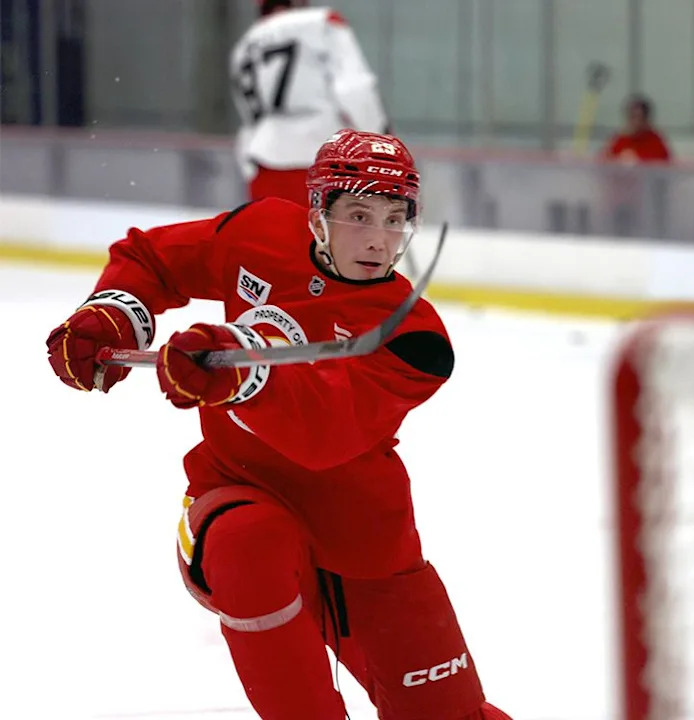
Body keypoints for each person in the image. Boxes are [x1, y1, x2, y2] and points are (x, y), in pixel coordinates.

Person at [44, 130, 512, 720]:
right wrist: (114, 312)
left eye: (395, 220)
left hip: (366, 544)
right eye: (359, 215)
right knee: (249, 542)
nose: (379, 239)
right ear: (317, 215)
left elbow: (326, 430)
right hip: (239, 499)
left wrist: (245, 370)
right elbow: (152, 258)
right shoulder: (260, 232)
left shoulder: (416, 339)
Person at [230, 0, 389, 207]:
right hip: (322, 159)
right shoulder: (322, 22)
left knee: (270, 228)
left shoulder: (244, 44)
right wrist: (381, 142)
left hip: (263, 164)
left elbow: (248, 116)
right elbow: (354, 88)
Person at [602, 94, 671, 163]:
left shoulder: (655, 141)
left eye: (639, 118)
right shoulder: (619, 140)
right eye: (633, 117)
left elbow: (665, 163)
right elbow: (603, 161)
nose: (636, 123)